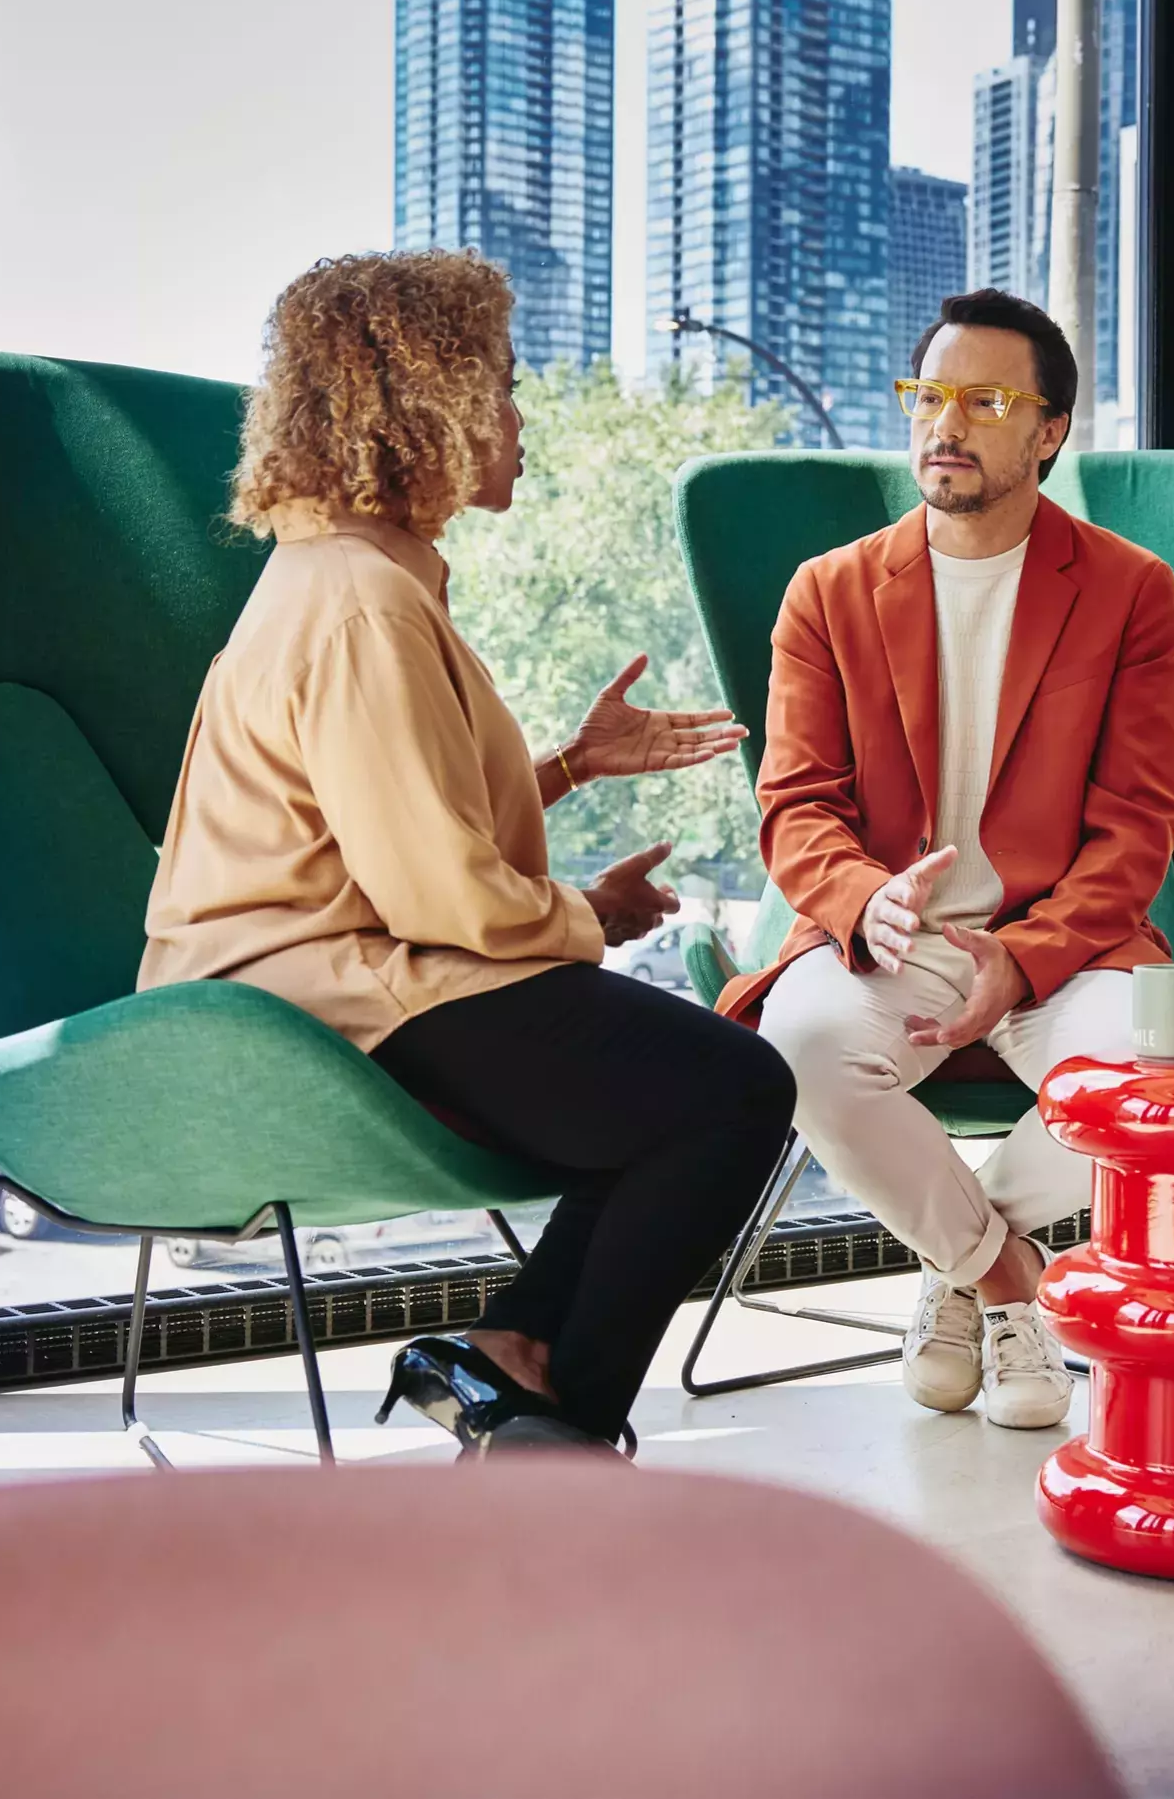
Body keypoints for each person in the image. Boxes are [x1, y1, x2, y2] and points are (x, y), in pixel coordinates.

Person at [139, 251, 793, 1457]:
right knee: (731, 1088)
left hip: (337, 971)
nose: (519, 416)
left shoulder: (354, 582)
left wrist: (569, 771)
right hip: (314, 1002)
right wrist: (583, 920)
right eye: (498, 384)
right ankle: (562, 1427)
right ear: (421, 406)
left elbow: (382, 826)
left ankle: (517, 1358)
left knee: (664, 1090)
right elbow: (436, 886)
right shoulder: (360, 605)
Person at [719, 288, 1174, 1429]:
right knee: (807, 1046)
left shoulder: (1132, 592)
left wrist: (1021, 962)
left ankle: (957, 1265)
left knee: (1151, 1079)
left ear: (1048, 432)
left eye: (986, 399)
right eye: (930, 394)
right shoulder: (828, 593)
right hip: (890, 933)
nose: (946, 423)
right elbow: (794, 805)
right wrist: (862, 899)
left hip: (1067, 940)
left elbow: (1138, 824)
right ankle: (1007, 1281)